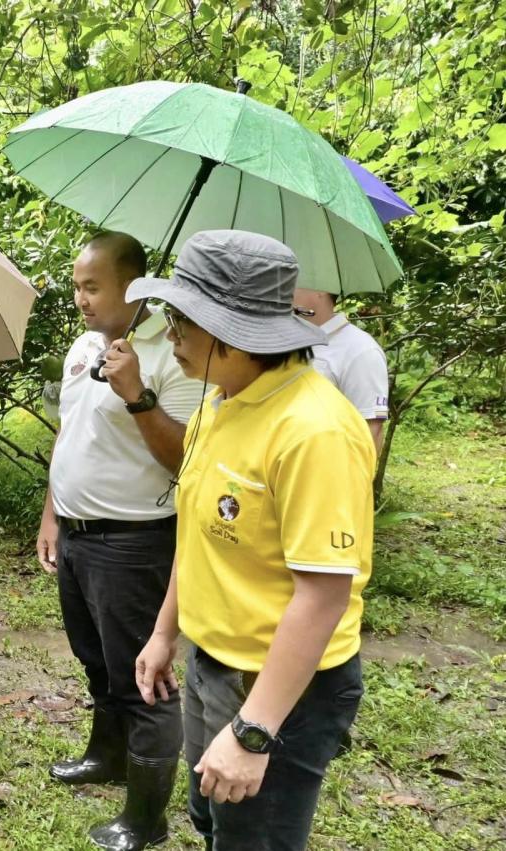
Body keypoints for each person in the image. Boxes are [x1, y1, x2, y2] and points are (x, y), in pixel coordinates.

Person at [133, 231, 374, 851]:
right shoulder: (222, 399)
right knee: (214, 820)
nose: (170, 335)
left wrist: (254, 732)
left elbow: (322, 598)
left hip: (280, 688)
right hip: (214, 658)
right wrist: (165, 633)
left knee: (255, 839)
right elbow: (202, 536)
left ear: (232, 331)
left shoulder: (313, 431)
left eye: (183, 321)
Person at [37, 231, 205, 851]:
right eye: (77, 286)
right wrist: (52, 512)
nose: (80, 299)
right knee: (97, 662)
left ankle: (145, 817)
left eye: (92, 287)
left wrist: (137, 393)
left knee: (143, 679)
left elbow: (185, 459)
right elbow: (69, 435)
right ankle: (105, 758)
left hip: (134, 542)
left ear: (131, 287)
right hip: (78, 535)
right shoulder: (84, 346)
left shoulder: (171, 354)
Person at [291, 287, 389, 455]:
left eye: (293, 279)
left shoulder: (360, 349)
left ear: (320, 288)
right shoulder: (286, 340)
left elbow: (371, 430)